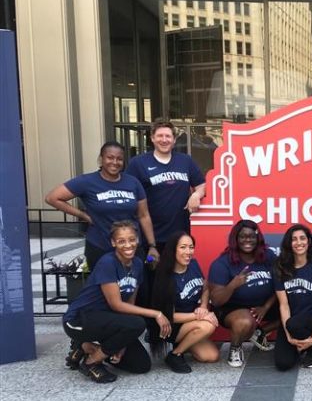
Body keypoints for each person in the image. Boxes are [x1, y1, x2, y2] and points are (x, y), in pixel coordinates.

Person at [62, 220, 171, 383]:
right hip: (79, 319)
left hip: (107, 321)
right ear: (113, 242)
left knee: (141, 365)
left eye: (132, 239)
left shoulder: (138, 264)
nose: (128, 245)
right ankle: (91, 361)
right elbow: (116, 305)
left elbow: (129, 306)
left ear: (138, 240)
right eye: (121, 241)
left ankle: (84, 347)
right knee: (138, 323)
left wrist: (123, 342)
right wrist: (157, 314)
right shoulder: (108, 263)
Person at [45, 141, 158, 270]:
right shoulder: (86, 181)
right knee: (103, 287)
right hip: (100, 247)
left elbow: (143, 215)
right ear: (101, 159)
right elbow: (52, 198)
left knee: (134, 286)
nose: (115, 162)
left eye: (119, 159)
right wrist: (82, 215)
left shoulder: (133, 182)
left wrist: (152, 245)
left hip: (131, 247)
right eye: (110, 157)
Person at [125, 119, 206, 253]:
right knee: (153, 271)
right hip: (151, 237)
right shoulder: (138, 163)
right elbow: (128, 193)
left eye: (168, 136)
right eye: (160, 136)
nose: (164, 140)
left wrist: (196, 194)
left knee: (178, 272)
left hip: (181, 236)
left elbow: (202, 184)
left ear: (174, 140)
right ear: (152, 138)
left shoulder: (185, 161)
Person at [208, 220, 278, 368]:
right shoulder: (222, 263)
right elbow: (216, 300)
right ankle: (235, 348)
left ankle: (259, 333)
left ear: (257, 238)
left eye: (251, 237)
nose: (247, 240)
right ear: (235, 239)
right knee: (245, 322)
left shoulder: (268, 256)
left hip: (263, 306)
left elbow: (281, 286)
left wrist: (265, 307)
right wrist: (232, 285)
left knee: (296, 307)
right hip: (233, 309)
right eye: (243, 237)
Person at [149, 231, 220, 373]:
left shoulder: (193, 264)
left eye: (191, 247)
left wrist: (204, 306)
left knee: (211, 356)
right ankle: (175, 354)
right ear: (173, 249)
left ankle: (184, 344)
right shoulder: (165, 277)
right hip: (171, 326)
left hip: (192, 322)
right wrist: (201, 316)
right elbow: (170, 316)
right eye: (183, 247)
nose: (188, 252)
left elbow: (205, 287)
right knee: (207, 326)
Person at [273, 224, 312, 371]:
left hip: (311, 319)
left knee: (295, 324)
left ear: (309, 242)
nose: (299, 243)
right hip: (291, 321)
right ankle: (300, 345)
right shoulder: (280, 268)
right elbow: (283, 305)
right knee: (283, 364)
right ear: (289, 244)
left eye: (302, 238)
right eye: (294, 239)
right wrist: (288, 335)